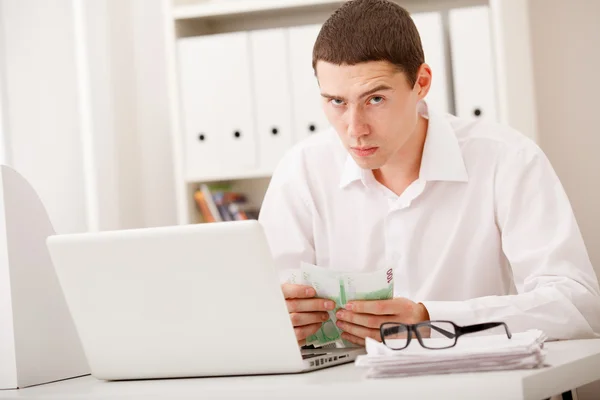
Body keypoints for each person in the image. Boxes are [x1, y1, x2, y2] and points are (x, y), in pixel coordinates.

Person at [258, 0, 600, 347]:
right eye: (337, 102)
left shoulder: (506, 159)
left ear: (421, 83)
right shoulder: (301, 171)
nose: (354, 128)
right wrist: (278, 321)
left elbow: (578, 305)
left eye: (375, 99)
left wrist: (429, 318)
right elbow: (258, 308)